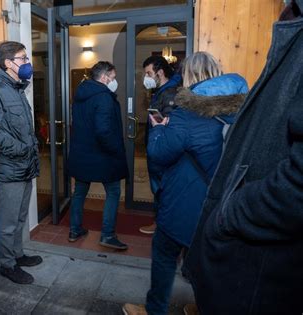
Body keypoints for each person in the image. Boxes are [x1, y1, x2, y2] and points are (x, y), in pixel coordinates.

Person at [183, 1, 303, 314]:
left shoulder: (188, 106)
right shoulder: (239, 87)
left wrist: (228, 213)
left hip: (250, 265)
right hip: (248, 258)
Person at [122, 51, 248, 315]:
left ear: (189, 76)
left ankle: (155, 310)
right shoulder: (244, 110)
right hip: (225, 202)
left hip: (186, 200)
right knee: (208, 261)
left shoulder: (188, 113)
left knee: (165, 254)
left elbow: (159, 153)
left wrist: (159, 130)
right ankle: (204, 307)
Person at [0, 41, 42, 285]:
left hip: (25, 166)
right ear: (8, 63)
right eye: (22, 58)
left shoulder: (16, 88)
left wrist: (29, 150)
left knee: (20, 216)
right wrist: (21, 149)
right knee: (7, 222)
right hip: (9, 168)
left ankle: (17, 254)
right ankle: (7, 265)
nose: (27, 63)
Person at [67, 61, 129, 250]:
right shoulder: (103, 97)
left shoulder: (79, 94)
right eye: (113, 77)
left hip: (82, 154)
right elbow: (103, 131)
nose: (114, 80)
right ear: (104, 77)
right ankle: (107, 235)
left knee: (79, 193)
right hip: (103, 156)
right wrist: (115, 149)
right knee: (113, 192)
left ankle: (75, 230)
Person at [140, 56, 181, 235]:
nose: (146, 77)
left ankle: (162, 225)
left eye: (149, 73)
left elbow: (168, 124)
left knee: (162, 189)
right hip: (157, 147)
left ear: (160, 72)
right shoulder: (161, 91)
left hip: (163, 150)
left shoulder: (170, 93)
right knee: (159, 189)